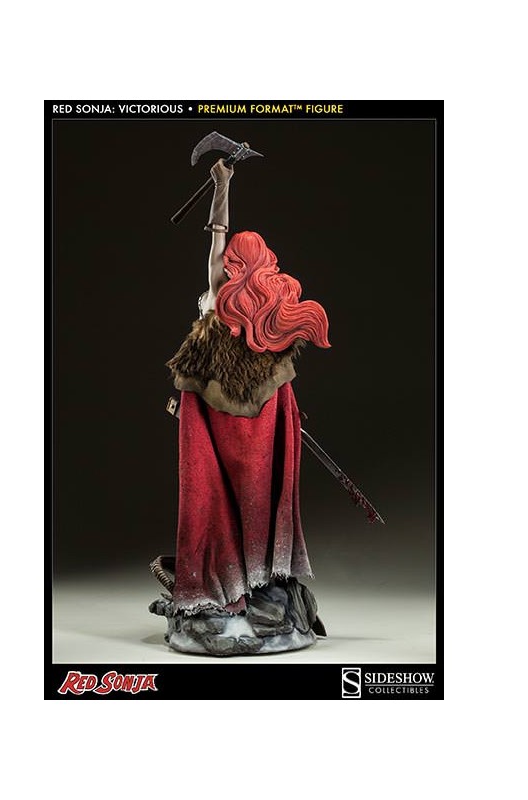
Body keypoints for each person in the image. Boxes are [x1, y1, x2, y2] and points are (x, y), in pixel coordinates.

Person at [151, 159, 331, 655]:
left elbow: (216, 236)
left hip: (219, 432)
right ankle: (262, 583)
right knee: (259, 505)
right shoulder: (271, 334)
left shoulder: (216, 303)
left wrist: (222, 186)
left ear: (234, 266)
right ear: (266, 267)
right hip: (262, 438)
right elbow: (282, 401)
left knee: (218, 504)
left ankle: (235, 591)